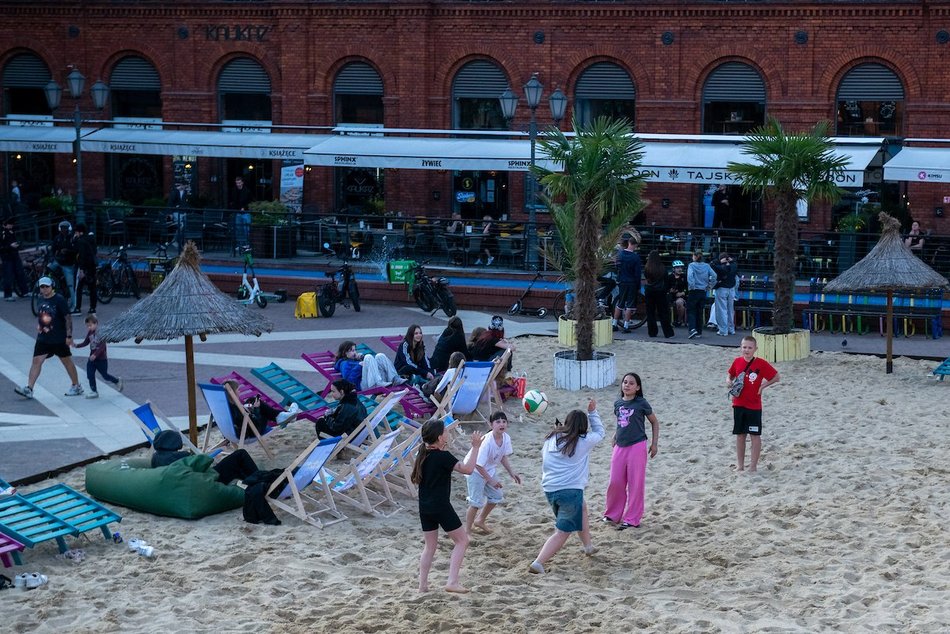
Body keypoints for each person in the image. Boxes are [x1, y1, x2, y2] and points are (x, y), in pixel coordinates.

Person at [529, 399, 604, 574]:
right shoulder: (583, 441)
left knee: (582, 508)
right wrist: (592, 412)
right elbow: (600, 432)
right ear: (583, 427)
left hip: (550, 489)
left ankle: (588, 546)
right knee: (563, 531)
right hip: (569, 491)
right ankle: (538, 563)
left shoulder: (551, 438)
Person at [411, 418, 483, 593]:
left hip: (424, 507)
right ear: (439, 437)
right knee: (462, 541)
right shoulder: (443, 456)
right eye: (445, 431)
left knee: (430, 547)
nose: (447, 433)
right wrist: (475, 447)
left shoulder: (422, 454)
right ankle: (452, 582)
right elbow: (468, 469)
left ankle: (422, 586)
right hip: (440, 506)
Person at [149, 429, 281, 525]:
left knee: (237, 468)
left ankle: (255, 480)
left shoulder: (155, 458)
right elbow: (201, 465)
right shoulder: (181, 457)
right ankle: (262, 482)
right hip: (206, 482)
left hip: (190, 486)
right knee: (240, 455)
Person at [602, 373, 660, 530]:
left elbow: (654, 422)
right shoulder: (618, 403)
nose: (627, 385)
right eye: (625, 382)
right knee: (615, 482)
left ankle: (632, 518)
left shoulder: (641, 403)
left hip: (637, 446)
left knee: (635, 483)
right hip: (619, 447)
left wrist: (654, 444)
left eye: (631, 383)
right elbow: (621, 423)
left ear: (638, 387)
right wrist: (615, 436)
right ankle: (612, 514)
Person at [14, 276, 83, 398]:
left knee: (67, 362)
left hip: (58, 338)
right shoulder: (40, 299)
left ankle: (76, 385)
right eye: (42, 287)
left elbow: (68, 318)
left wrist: (69, 335)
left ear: (52, 287)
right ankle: (29, 388)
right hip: (43, 338)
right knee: (36, 361)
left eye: (47, 286)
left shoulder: (59, 300)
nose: (44, 289)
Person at [727, 336, 779, 473]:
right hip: (738, 403)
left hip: (754, 405)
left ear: (755, 349)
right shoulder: (737, 361)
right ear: (741, 347)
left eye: (750, 347)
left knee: (755, 435)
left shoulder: (761, 363)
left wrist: (763, 386)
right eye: (744, 347)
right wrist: (728, 381)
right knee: (740, 435)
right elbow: (730, 374)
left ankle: (753, 466)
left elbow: (776, 377)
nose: (747, 350)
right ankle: (740, 465)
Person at [464, 411, 522, 534]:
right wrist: (491, 480)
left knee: (496, 495)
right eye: (498, 421)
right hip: (474, 470)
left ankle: (480, 520)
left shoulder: (506, 438)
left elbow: (503, 456)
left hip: (488, 469)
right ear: (491, 424)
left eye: (504, 421)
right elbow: (478, 464)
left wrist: (511, 472)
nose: (502, 424)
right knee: (475, 502)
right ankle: (467, 532)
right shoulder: (487, 441)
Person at [223, 380, 299, 435]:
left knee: (252, 400)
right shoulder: (234, 408)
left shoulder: (226, 406)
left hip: (237, 429)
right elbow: (252, 422)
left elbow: (241, 418)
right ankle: (283, 416)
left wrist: (249, 409)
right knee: (262, 408)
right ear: (232, 393)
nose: (239, 392)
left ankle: (283, 415)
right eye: (238, 390)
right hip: (252, 431)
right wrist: (256, 409)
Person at [72, 315, 122, 399]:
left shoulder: (100, 333)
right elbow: (86, 342)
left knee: (105, 375)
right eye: (87, 326)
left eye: (90, 325)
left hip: (101, 359)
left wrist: (95, 354)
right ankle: (94, 391)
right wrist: (76, 345)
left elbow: (102, 346)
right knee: (90, 374)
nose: (89, 328)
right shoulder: (90, 332)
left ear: (96, 324)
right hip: (92, 359)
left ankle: (117, 381)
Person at [334, 340, 403, 390]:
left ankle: (394, 378)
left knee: (380, 356)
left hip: (374, 381)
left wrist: (361, 358)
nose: (355, 352)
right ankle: (377, 383)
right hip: (363, 385)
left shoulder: (354, 360)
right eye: (352, 351)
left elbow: (371, 365)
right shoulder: (344, 364)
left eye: (355, 350)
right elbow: (348, 380)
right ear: (345, 352)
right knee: (368, 357)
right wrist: (359, 366)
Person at [613, 233, 642, 332]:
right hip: (632, 282)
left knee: (620, 303)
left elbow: (617, 266)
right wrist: (638, 286)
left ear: (628, 242)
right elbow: (638, 274)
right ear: (635, 245)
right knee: (630, 304)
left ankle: (614, 323)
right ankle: (626, 326)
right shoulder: (636, 257)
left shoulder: (620, 255)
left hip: (622, 281)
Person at [642, 250, 674, 338]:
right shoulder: (662, 268)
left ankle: (652, 332)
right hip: (660, 291)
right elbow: (666, 280)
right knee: (663, 312)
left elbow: (646, 278)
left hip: (649, 291)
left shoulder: (647, 268)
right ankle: (668, 333)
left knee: (650, 312)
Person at [686, 250, 717, 339]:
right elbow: (714, 275)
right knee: (699, 311)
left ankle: (692, 329)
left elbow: (690, 276)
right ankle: (699, 331)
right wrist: (710, 286)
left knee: (691, 310)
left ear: (695, 257)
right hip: (703, 291)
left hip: (694, 290)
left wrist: (692, 286)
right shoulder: (707, 266)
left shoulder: (691, 265)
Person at [51, 220, 78, 312]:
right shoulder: (57, 238)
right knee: (48, 269)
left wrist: (67, 251)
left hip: (68, 264)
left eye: (65, 228)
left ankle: (74, 305)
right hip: (58, 261)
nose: (64, 230)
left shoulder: (72, 238)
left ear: (69, 229)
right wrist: (53, 257)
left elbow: (75, 250)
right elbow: (53, 249)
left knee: (70, 285)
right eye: (62, 228)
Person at [1, 217, 29, 301]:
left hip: (15, 256)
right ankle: (7, 295)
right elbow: (1, 247)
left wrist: (17, 245)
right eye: (10, 224)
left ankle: (24, 292)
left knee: (20, 273)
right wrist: (10, 246)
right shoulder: (2, 233)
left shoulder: (12, 231)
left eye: (12, 224)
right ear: (5, 225)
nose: (11, 225)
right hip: (7, 257)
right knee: (8, 276)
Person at [72, 223, 97, 314]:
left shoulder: (81, 241)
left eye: (76, 232)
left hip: (84, 267)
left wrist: (81, 270)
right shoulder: (90, 239)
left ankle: (77, 308)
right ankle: (92, 308)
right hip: (92, 266)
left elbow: (81, 256)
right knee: (92, 288)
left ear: (79, 232)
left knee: (78, 288)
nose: (75, 233)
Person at [712, 251, 738, 337]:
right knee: (730, 310)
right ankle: (731, 329)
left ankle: (723, 330)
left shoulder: (720, 267)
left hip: (722, 288)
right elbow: (733, 264)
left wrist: (720, 262)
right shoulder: (734, 265)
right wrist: (730, 260)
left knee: (721, 310)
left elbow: (712, 265)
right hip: (731, 289)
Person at [231, 175, 253, 249]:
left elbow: (250, 201)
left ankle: (247, 244)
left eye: (239, 183)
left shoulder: (247, 191)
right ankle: (240, 244)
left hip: (246, 213)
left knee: (246, 229)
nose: (238, 184)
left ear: (242, 182)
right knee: (239, 229)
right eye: (237, 183)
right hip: (237, 212)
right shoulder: (234, 190)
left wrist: (245, 208)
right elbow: (233, 200)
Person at [168, 181, 190, 253]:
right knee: (181, 225)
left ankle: (176, 241)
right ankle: (175, 241)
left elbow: (185, 202)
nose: (185, 187)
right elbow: (170, 202)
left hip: (183, 212)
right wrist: (170, 213)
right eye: (185, 186)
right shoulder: (175, 191)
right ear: (181, 185)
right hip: (176, 212)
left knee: (183, 227)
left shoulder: (185, 192)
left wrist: (186, 211)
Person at [667, 259, 688, 327]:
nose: (680, 269)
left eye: (681, 267)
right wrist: (670, 290)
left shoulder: (684, 276)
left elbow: (688, 288)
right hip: (671, 296)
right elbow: (666, 288)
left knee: (679, 302)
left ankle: (679, 320)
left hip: (682, 296)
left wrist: (683, 293)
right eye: (677, 268)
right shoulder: (669, 277)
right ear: (673, 269)